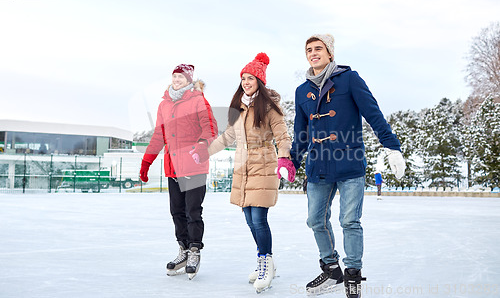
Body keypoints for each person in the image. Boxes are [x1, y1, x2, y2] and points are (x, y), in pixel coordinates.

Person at [286, 34, 405, 297]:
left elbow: (373, 113)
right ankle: (331, 270)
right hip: (318, 165)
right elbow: (301, 132)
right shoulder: (301, 91)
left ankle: (352, 274)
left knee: (350, 220)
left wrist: (392, 146)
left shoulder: (350, 80)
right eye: (309, 50)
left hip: (349, 162)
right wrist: (292, 160)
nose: (313, 53)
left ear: (330, 53)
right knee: (315, 220)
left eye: (319, 48)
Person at [207, 53, 295, 293]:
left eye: (251, 78)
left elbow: (282, 135)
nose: (246, 82)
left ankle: (265, 264)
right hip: (243, 165)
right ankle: (267, 260)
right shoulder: (239, 106)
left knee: (259, 219)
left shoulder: (268, 107)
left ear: (260, 81)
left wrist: (285, 158)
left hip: (264, 163)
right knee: (248, 219)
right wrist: (205, 152)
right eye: (243, 78)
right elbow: (228, 136)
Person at [139, 64, 218, 280]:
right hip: (172, 167)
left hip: (194, 164)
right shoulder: (164, 104)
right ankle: (182, 249)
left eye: (181, 77)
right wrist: (147, 161)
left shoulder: (198, 100)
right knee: (177, 211)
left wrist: (201, 147)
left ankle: (194, 251)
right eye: (174, 76)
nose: (176, 79)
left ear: (189, 79)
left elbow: (210, 127)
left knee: (193, 211)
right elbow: (158, 135)